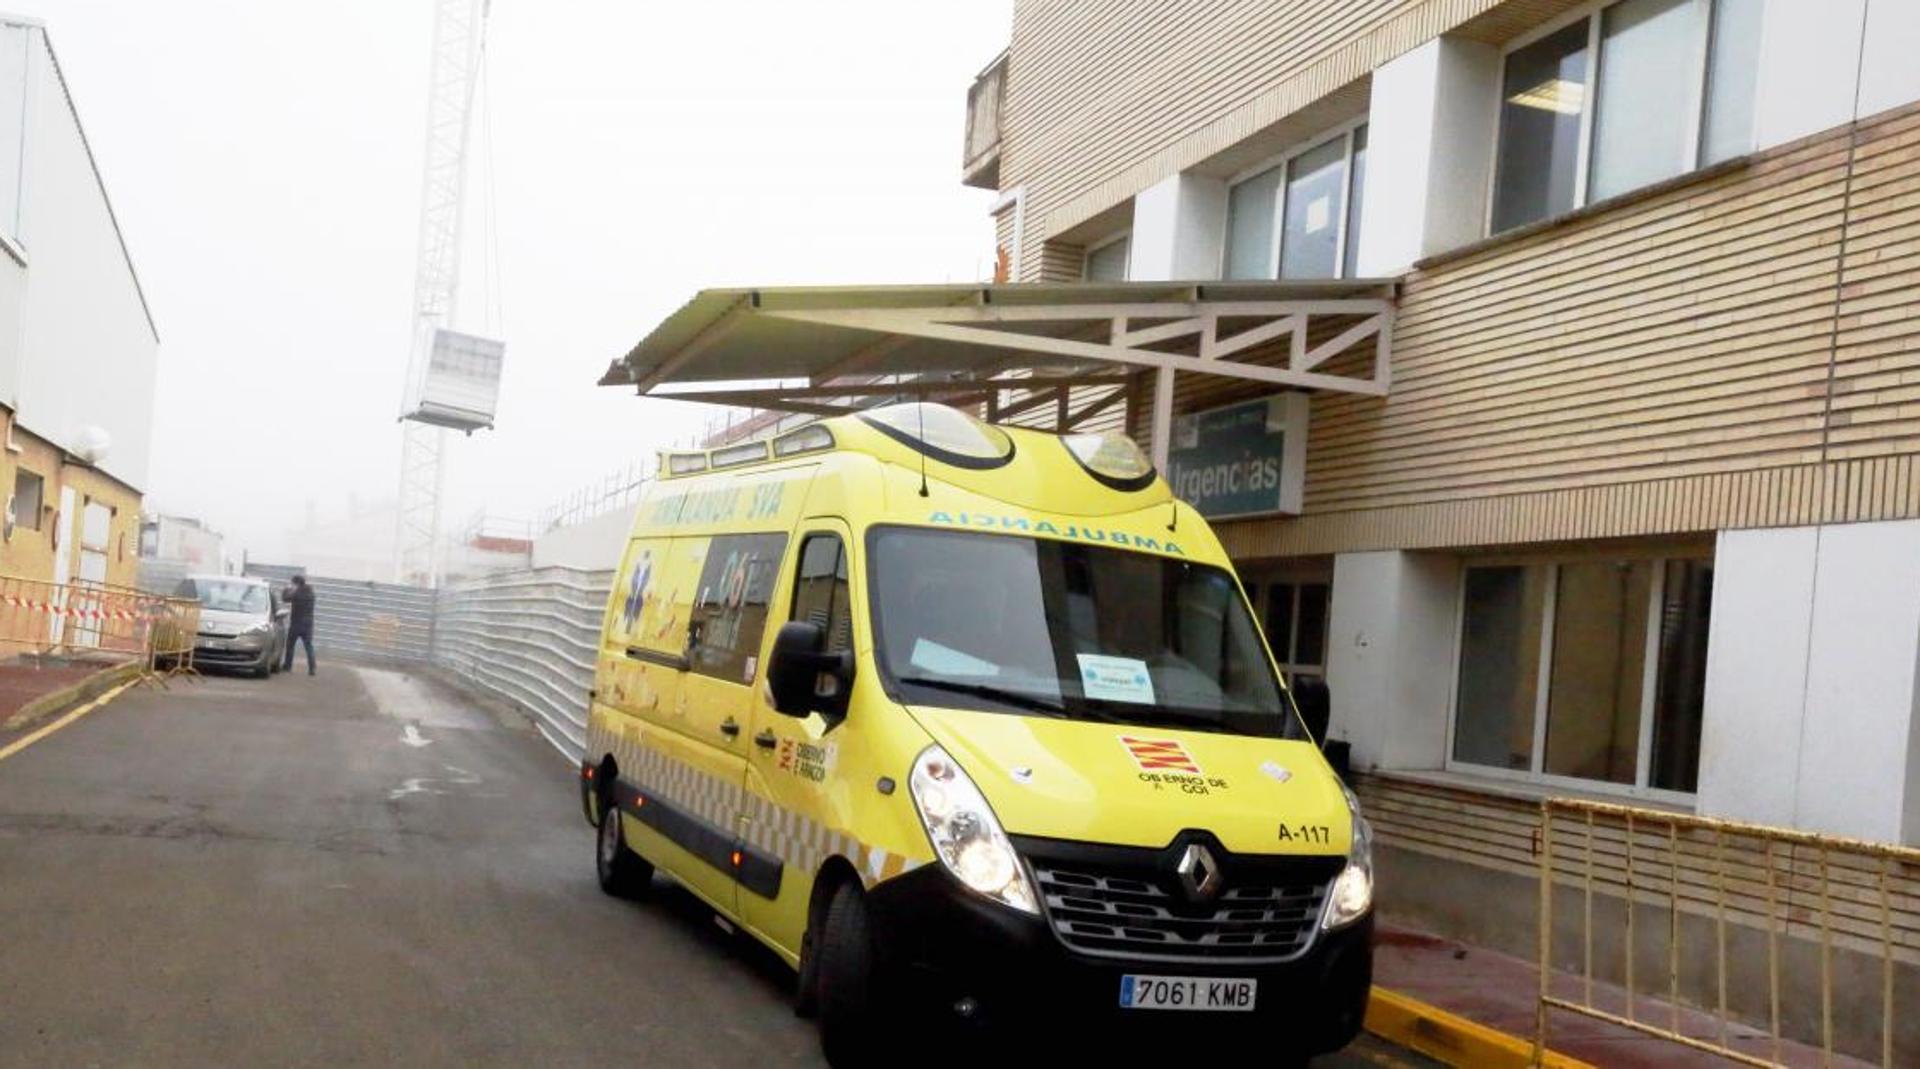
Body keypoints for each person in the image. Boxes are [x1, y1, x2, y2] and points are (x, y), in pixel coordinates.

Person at [282, 575, 316, 675]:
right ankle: (312, 668)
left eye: (293, 583)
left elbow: (285, 598)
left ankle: (288, 666)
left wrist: (287, 589)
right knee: (309, 646)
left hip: (296, 624)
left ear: (296, 584)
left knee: (290, 645)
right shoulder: (311, 593)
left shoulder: (296, 593)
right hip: (308, 624)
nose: (292, 585)